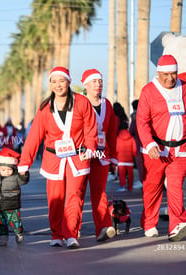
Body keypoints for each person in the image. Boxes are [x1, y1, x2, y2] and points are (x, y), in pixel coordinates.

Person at [18, 67, 98, 249]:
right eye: (54, 81)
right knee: (55, 199)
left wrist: (91, 147)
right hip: (53, 161)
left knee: (74, 197)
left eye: (61, 81)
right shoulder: (45, 108)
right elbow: (34, 137)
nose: (58, 85)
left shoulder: (82, 102)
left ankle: (70, 234)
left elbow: (90, 127)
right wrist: (25, 163)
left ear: (69, 82)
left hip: (77, 158)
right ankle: (56, 234)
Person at [137, 54, 186, 241]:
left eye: (174, 74)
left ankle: (176, 224)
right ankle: (149, 222)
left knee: (176, 187)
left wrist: (184, 132)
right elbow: (142, 121)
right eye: (166, 75)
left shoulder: (185, 88)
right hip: (156, 150)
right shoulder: (148, 91)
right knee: (153, 189)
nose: (170, 78)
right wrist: (149, 143)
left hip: (181, 149)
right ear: (158, 73)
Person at [80, 69, 117, 241]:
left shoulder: (107, 104)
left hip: (102, 154)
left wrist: (114, 157)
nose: (98, 84)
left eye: (100, 81)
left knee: (100, 192)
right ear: (85, 85)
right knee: (77, 192)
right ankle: (73, 230)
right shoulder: (78, 102)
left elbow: (111, 133)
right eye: (94, 81)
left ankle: (103, 227)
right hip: (82, 154)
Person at [116, 120, 137, 192]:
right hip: (129, 159)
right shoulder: (131, 138)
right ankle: (130, 187)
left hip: (121, 159)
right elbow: (134, 149)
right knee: (130, 174)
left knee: (122, 174)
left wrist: (116, 157)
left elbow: (116, 149)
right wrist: (133, 155)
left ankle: (122, 186)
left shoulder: (118, 138)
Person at [129, 99, 144, 183]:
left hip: (137, 142)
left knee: (140, 163)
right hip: (146, 141)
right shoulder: (144, 113)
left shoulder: (134, 116)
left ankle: (143, 181)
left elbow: (132, 130)